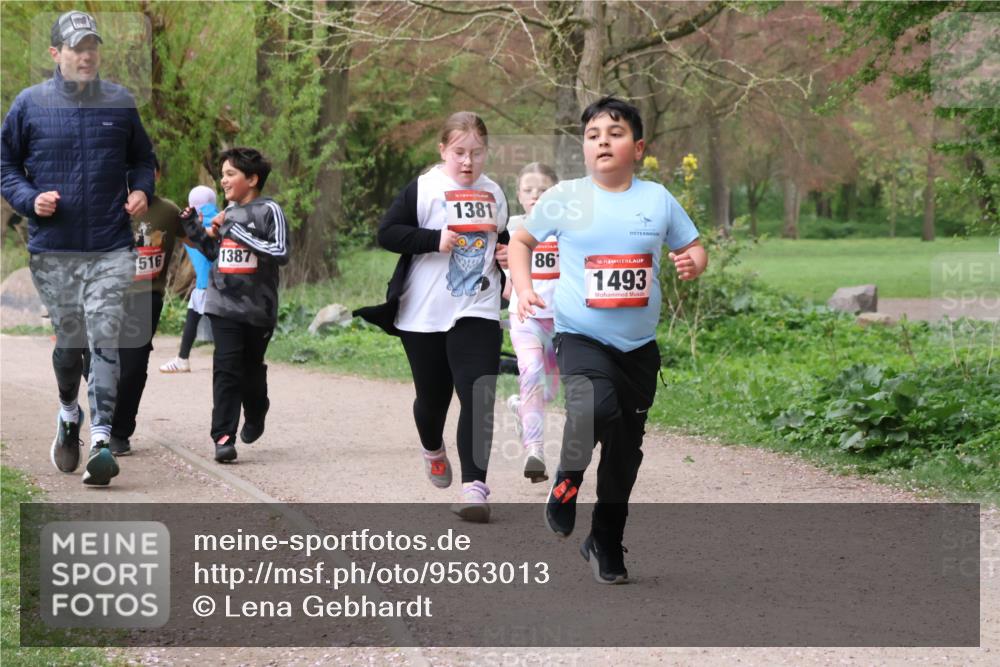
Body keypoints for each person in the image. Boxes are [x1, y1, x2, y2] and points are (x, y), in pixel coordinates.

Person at [509, 97, 708, 583]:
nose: (604, 140)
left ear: (637, 147)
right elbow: (521, 242)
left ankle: (604, 539)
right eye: (594, 133)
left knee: (624, 453)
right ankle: (567, 479)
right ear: (584, 147)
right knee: (593, 409)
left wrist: (692, 264)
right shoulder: (566, 197)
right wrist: (526, 286)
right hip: (580, 337)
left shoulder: (658, 199)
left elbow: (694, 247)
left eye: (615, 133)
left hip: (639, 351)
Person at [1, 10, 156, 486]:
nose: (86, 55)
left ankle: (104, 440)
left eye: (92, 47)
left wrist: (141, 190)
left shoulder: (120, 102)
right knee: (70, 346)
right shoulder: (28, 105)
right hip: (55, 249)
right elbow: (5, 166)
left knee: (105, 338)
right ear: (56, 54)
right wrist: (30, 200)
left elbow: (143, 160)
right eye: (76, 48)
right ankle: (70, 413)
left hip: (111, 245)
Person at [354, 111, 509, 523]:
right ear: (442, 150)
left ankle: (475, 487)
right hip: (423, 313)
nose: (467, 162)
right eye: (459, 152)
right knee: (432, 399)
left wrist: (509, 258)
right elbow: (388, 233)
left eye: (476, 153)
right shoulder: (423, 188)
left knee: (477, 392)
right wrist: (433, 240)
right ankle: (432, 447)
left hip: (477, 306)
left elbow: (504, 240)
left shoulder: (496, 193)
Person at [180, 147, 289, 463]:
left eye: (231, 174)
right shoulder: (223, 214)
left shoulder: (269, 211)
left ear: (252, 179)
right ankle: (223, 437)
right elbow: (216, 254)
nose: (223, 181)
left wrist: (235, 230)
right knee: (226, 369)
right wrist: (195, 231)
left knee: (250, 371)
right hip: (221, 304)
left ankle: (256, 410)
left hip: (258, 309)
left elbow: (280, 251)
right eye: (223, 174)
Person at [107, 158, 184, 456]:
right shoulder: (107, 205)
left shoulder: (168, 211)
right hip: (107, 296)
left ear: (157, 175)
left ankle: (120, 431)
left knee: (134, 368)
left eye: (147, 172)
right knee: (94, 360)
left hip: (145, 297)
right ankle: (103, 411)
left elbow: (197, 239)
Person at [505, 162, 560, 483]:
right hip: (524, 318)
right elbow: (506, 279)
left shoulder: (567, 227)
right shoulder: (513, 230)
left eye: (543, 190)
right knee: (532, 374)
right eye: (528, 191)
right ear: (519, 195)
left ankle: (518, 406)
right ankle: (534, 450)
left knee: (549, 391)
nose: (536, 196)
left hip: (560, 322)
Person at [159, 185, 218, 374]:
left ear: (191, 204)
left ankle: (183, 359)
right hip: (226, 282)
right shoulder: (222, 219)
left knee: (203, 317)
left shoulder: (190, 225)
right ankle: (182, 358)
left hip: (206, 283)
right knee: (196, 313)